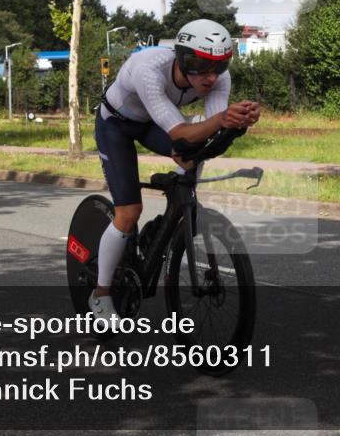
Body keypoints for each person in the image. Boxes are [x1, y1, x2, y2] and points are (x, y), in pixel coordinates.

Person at [90, 19, 260, 324]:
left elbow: (211, 134)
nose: (211, 77)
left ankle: (166, 221)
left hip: (152, 123)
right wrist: (222, 119)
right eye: (201, 66)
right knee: (128, 212)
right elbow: (181, 133)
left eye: (219, 66)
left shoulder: (219, 78)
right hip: (116, 125)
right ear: (182, 59)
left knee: (192, 155)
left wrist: (236, 124)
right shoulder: (149, 70)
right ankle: (100, 294)